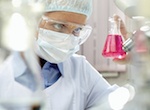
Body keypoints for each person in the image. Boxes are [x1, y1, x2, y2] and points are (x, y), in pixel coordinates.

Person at [0, 0, 128, 110]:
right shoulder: (4, 69)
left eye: (77, 30)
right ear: (31, 20)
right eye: (59, 26)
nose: (68, 38)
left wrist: (142, 60)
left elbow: (120, 103)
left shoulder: (79, 69)